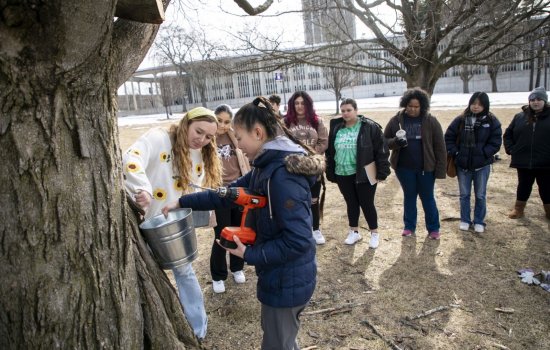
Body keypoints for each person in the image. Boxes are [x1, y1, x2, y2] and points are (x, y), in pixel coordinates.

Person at [162, 96, 323, 350]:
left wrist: (250, 253)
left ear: (258, 133)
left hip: (288, 281)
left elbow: (300, 241)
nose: (237, 143)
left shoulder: (281, 177)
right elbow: (227, 193)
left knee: (277, 344)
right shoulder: (264, 168)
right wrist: (184, 202)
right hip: (279, 277)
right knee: (280, 339)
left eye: (239, 137)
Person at [122, 106, 222, 340]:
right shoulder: (158, 138)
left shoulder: (199, 154)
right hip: (142, 222)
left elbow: (189, 189)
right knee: (143, 273)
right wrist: (143, 189)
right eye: (199, 132)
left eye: (209, 137)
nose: (202, 140)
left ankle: (198, 328)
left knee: (184, 271)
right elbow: (131, 158)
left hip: (172, 224)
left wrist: (204, 212)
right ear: (186, 123)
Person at [325, 98, 390, 248]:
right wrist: (330, 170)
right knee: (351, 203)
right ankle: (354, 232)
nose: (346, 113)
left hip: (365, 172)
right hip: (342, 172)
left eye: (349, 110)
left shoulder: (369, 126)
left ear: (356, 110)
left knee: (367, 204)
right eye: (343, 111)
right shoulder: (336, 127)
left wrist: (382, 170)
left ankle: (374, 233)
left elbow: (381, 149)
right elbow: (330, 152)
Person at [384, 87, 447, 239]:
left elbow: (440, 147)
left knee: (428, 198)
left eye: (416, 107)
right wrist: (395, 142)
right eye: (410, 106)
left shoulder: (431, 121)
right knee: (409, 196)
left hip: (426, 168)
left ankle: (433, 228)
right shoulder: (396, 121)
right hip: (404, 168)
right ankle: (409, 226)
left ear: (422, 106)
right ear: (405, 104)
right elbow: (384, 141)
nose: (412, 109)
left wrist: (440, 170)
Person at [445, 92, 502, 233]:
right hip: (462, 165)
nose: (476, 107)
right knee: (464, 195)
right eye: (474, 103)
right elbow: (448, 138)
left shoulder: (491, 121)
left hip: (482, 165)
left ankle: (479, 221)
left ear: (485, 105)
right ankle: (465, 219)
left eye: (480, 104)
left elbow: (496, 142)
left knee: (480, 195)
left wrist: (484, 154)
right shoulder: (461, 120)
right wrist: (456, 153)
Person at [211, 104, 251, 293]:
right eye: (219, 120)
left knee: (239, 230)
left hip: (239, 189)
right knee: (221, 233)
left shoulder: (235, 136)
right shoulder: (207, 138)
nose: (223, 125)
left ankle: (237, 267)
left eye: (227, 121)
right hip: (219, 192)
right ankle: (218, 275)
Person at [284, 91, 329, 244]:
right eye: (296, 103)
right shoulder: (286, 122)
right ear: (292, 105)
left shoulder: (317, 121)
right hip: (293, 169)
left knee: (313, 200)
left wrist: (310, 156)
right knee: (295, 201)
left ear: (308, 105)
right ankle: (300, 230)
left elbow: (323, 142)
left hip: (312, 169)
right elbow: (282, 142)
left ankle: (315, 229)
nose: (299, 106)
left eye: (303, 103)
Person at [503, 86, 550, 220]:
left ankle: (548, 210)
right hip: (523, 160)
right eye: (533, 99)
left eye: (539, 99)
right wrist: (511, 149)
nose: (535, 102)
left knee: (546, 187)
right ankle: (519, 209)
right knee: (523, 185)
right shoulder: (519, 117)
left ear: (544, 101)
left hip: (545, 161)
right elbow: (508, 134)